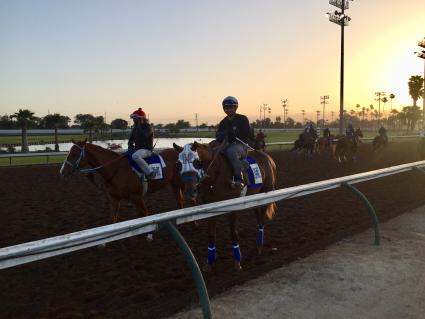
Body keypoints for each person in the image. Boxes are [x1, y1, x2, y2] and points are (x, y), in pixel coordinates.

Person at [216, 96, 252, 189]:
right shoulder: (223, 122)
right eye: (226, 108)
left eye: (231, 107)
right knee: (213, 152)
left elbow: (248, 133)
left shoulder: (243, 119)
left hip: (241, 146)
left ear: (235, 108)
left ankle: (239, 179)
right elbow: (218, 136)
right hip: (227, 145)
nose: (229, 110)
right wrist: (224, 134)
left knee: (231, 152)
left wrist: (235, 132)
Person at [128, 107, 155, 180]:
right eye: (133, 118)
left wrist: (139, 124)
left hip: (147, 150)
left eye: (135, 118)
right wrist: (130, 147)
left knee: (135, 156)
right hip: (138, 150)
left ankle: (150, 172)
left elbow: (144, 135)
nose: (133, 120)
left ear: (140, 118)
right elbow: (131, 140)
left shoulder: (148, 127)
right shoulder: (135, 128)